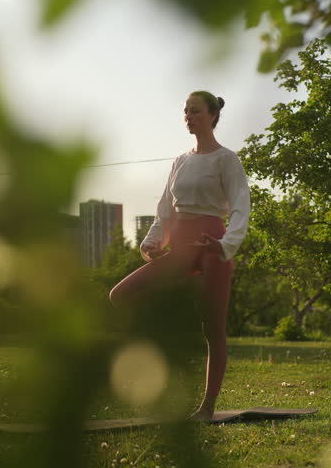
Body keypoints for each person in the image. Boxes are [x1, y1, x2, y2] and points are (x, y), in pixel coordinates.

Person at [108, 91, 250, 420]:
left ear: (213, 114)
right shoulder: (180, 161)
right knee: (120, 295)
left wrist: (226, 245)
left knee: (214, 329)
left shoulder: (226, 159)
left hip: (213, 245)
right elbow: (165, 211)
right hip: (181, 246)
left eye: (195, 111)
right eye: (185, 112)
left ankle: (207, 407)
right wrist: (151, 243)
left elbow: (242, 205)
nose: (188, 117)